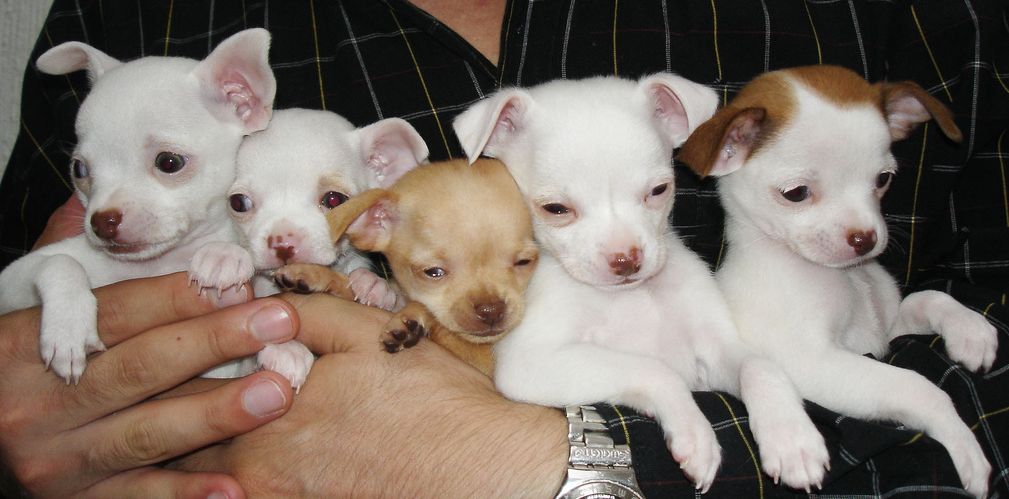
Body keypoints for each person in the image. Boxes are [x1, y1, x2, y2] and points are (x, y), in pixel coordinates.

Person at [1, 1, 1007, 497]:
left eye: (657, 193)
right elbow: (29, 338)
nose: (619, 246)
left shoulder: (927, 14)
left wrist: (541, 465)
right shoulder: (136, 26)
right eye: (557, 213)